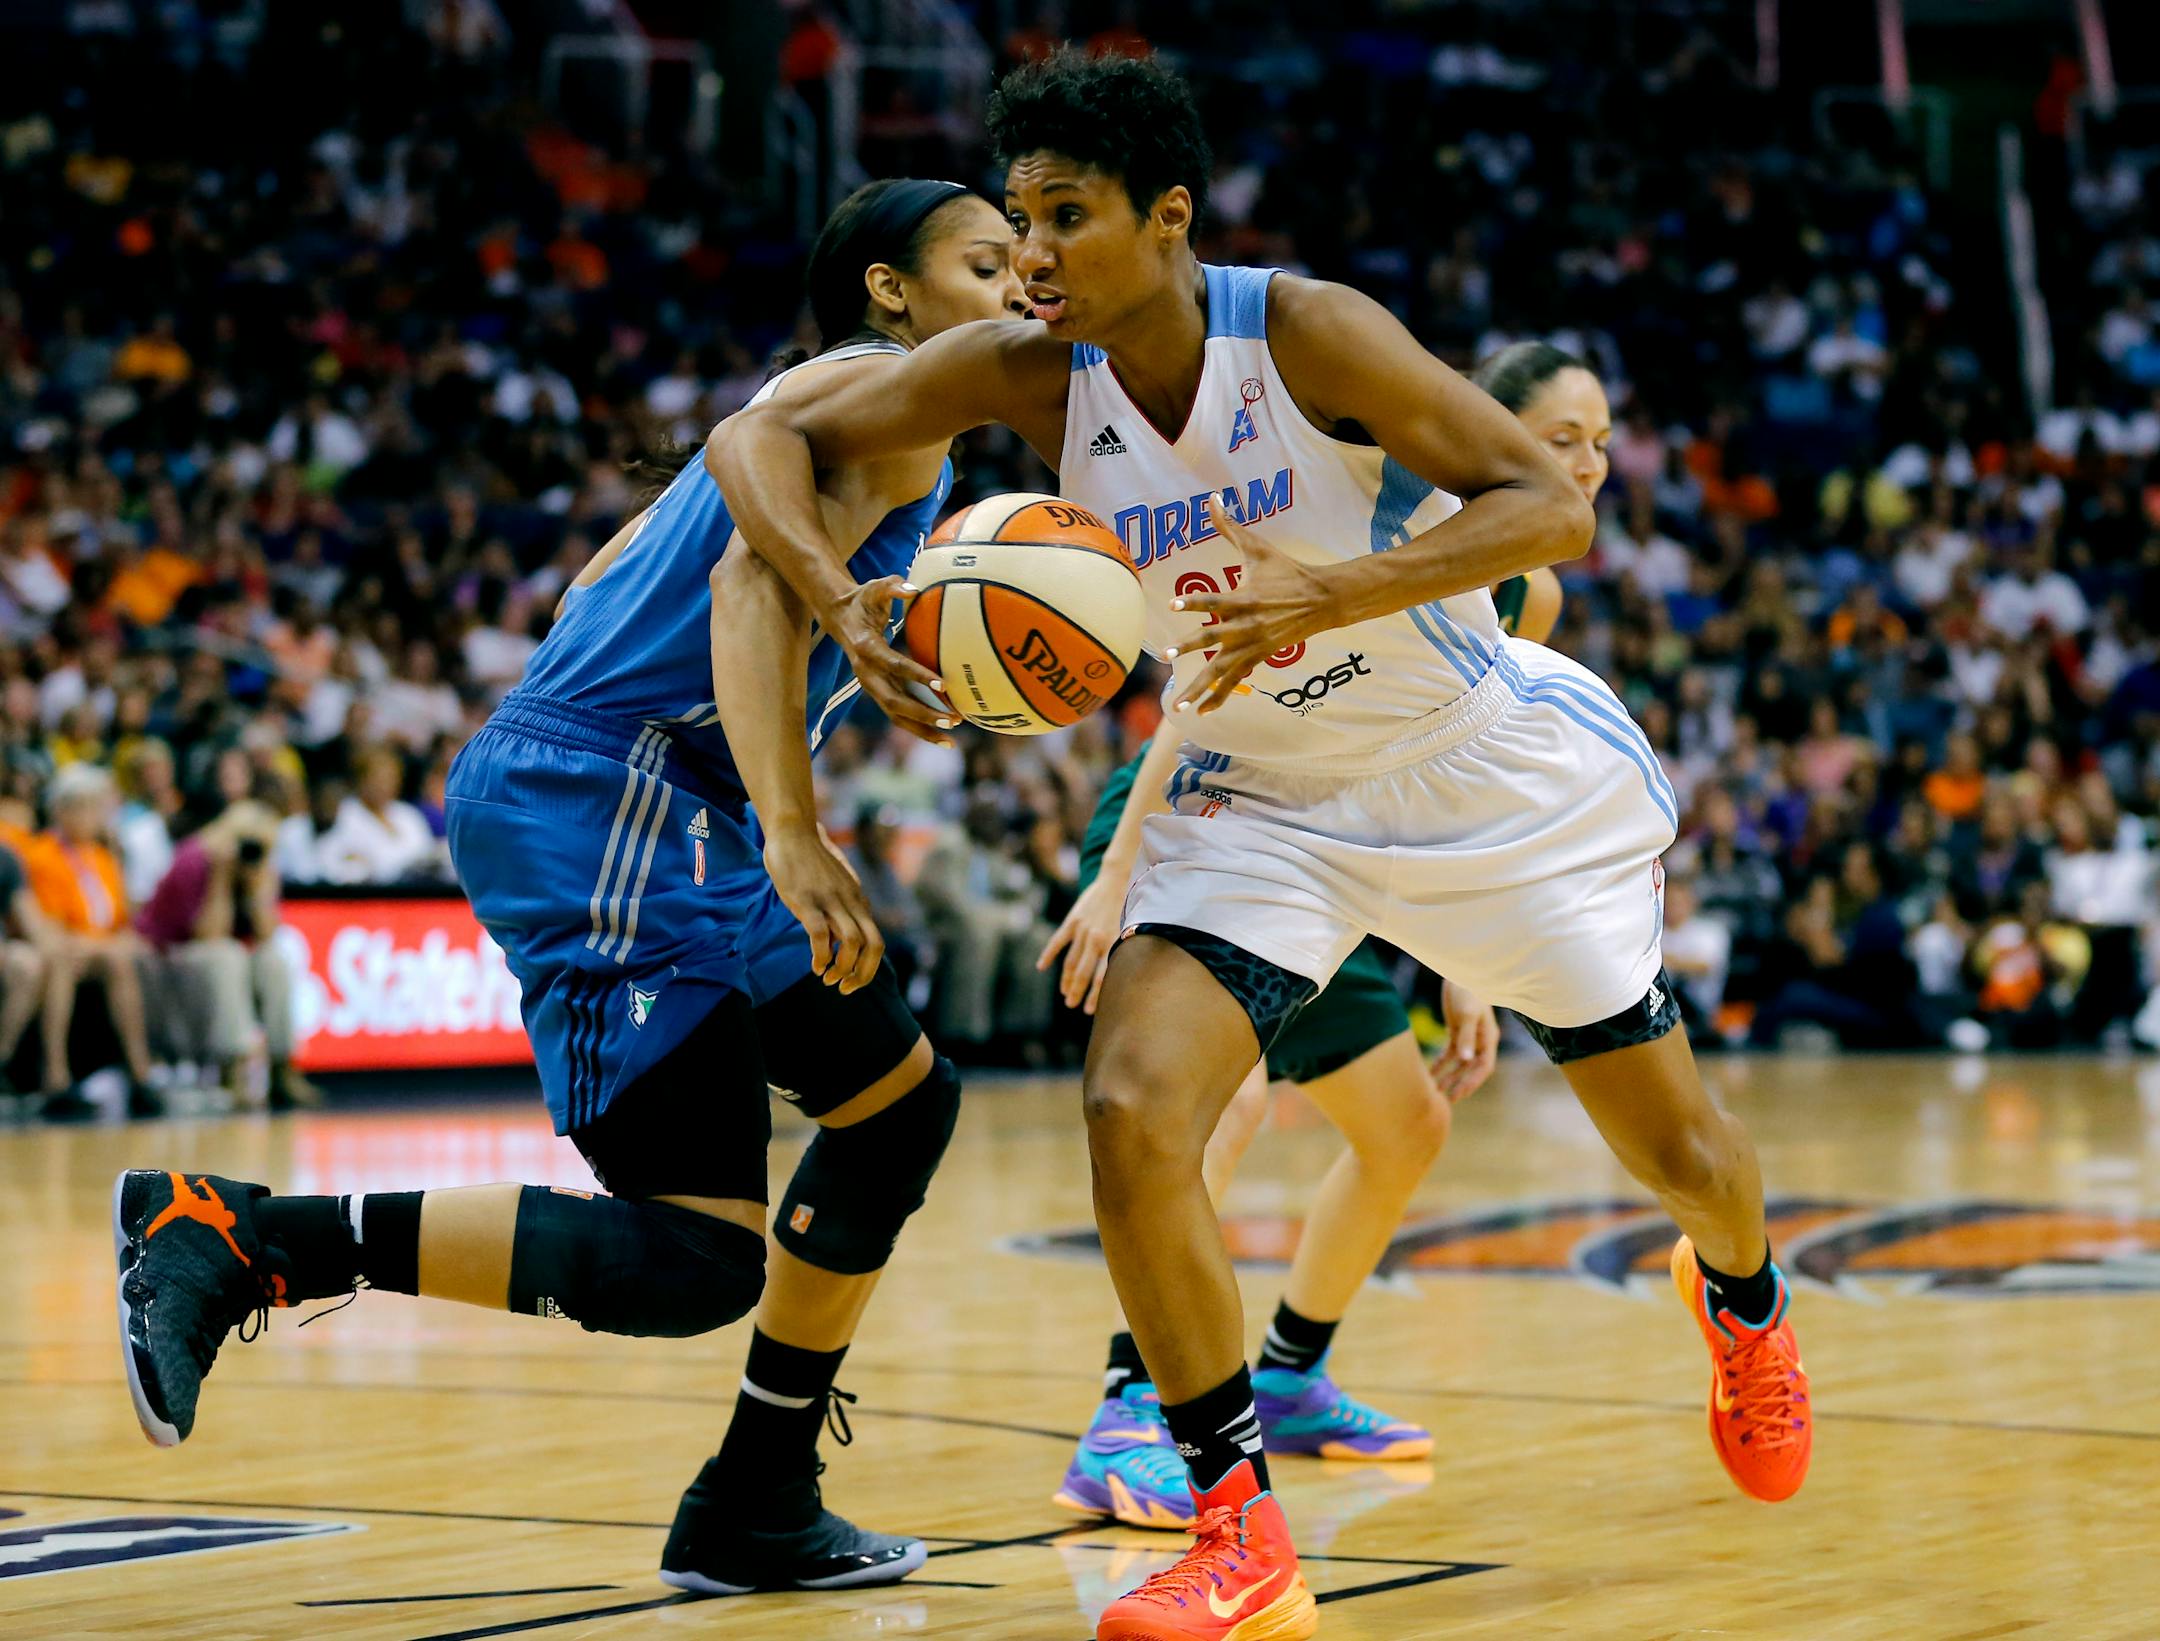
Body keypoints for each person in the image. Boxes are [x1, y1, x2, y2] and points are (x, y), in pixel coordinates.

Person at [716, 53, 1810, 1641]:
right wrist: (837, 603)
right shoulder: (1033, 372)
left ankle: (1747, 1303)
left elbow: (1545, 510)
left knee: (1687, 1160)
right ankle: (1237, 1523)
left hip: (1476, 776)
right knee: (1132, 1101)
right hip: (1262, 795)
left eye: (1066, 218)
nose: (1031, 256)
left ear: (1166, 220)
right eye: (1019, 219)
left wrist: (1339, 589)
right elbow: (763, 435)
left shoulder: (1304, 330)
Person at [110, 178, 1030, 1597]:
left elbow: (604, 584)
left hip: (669, 795)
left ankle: (759, 1494)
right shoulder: (884, 393)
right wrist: (791, 817)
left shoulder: (876, 429)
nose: (1022, 273)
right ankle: (241, 1234)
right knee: (691, 1261)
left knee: (898, 1103)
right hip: (614, 798)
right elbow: (739, 594)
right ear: (891, 293)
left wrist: (833, 685)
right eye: (987, 258)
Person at [1036, 338, 1611, 1530]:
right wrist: (1117, 876)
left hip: (1345, 843)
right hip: (1207, 814)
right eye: (1562, 442)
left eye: (1600, 444)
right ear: (1474, 430)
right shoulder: (1349, 506)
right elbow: (1193, 702)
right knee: (1219, 1103)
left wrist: (1469, 964)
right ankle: (1128, 1412)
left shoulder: (1528, 586)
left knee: (1406, 1125)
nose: (1588, 465)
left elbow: (1470, 770)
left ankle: (1291, 1373)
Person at [135, 799, 318, 1111]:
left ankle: (282, 1066)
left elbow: (266, 933)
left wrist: (258, 887)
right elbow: (208, 934)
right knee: (227, 955)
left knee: (273, 958)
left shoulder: (260, 867)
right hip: (171, 955)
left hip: (222, 954)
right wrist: (220, 878)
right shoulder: (193, 859)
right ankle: (232, 1066)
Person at [19, 763, 161, 1118]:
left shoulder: (103, 857)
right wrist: (107, 944)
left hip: (98, 949)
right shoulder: (43, 855)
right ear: (61, 810)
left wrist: (117, 942)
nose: (93, 816)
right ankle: (55, 1074)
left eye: (97, 807)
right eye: (83, 806)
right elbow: (50, 930)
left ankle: (140, 1074)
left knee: (120, 961)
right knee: (65, 962)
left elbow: (119, 922)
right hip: (60, 947)